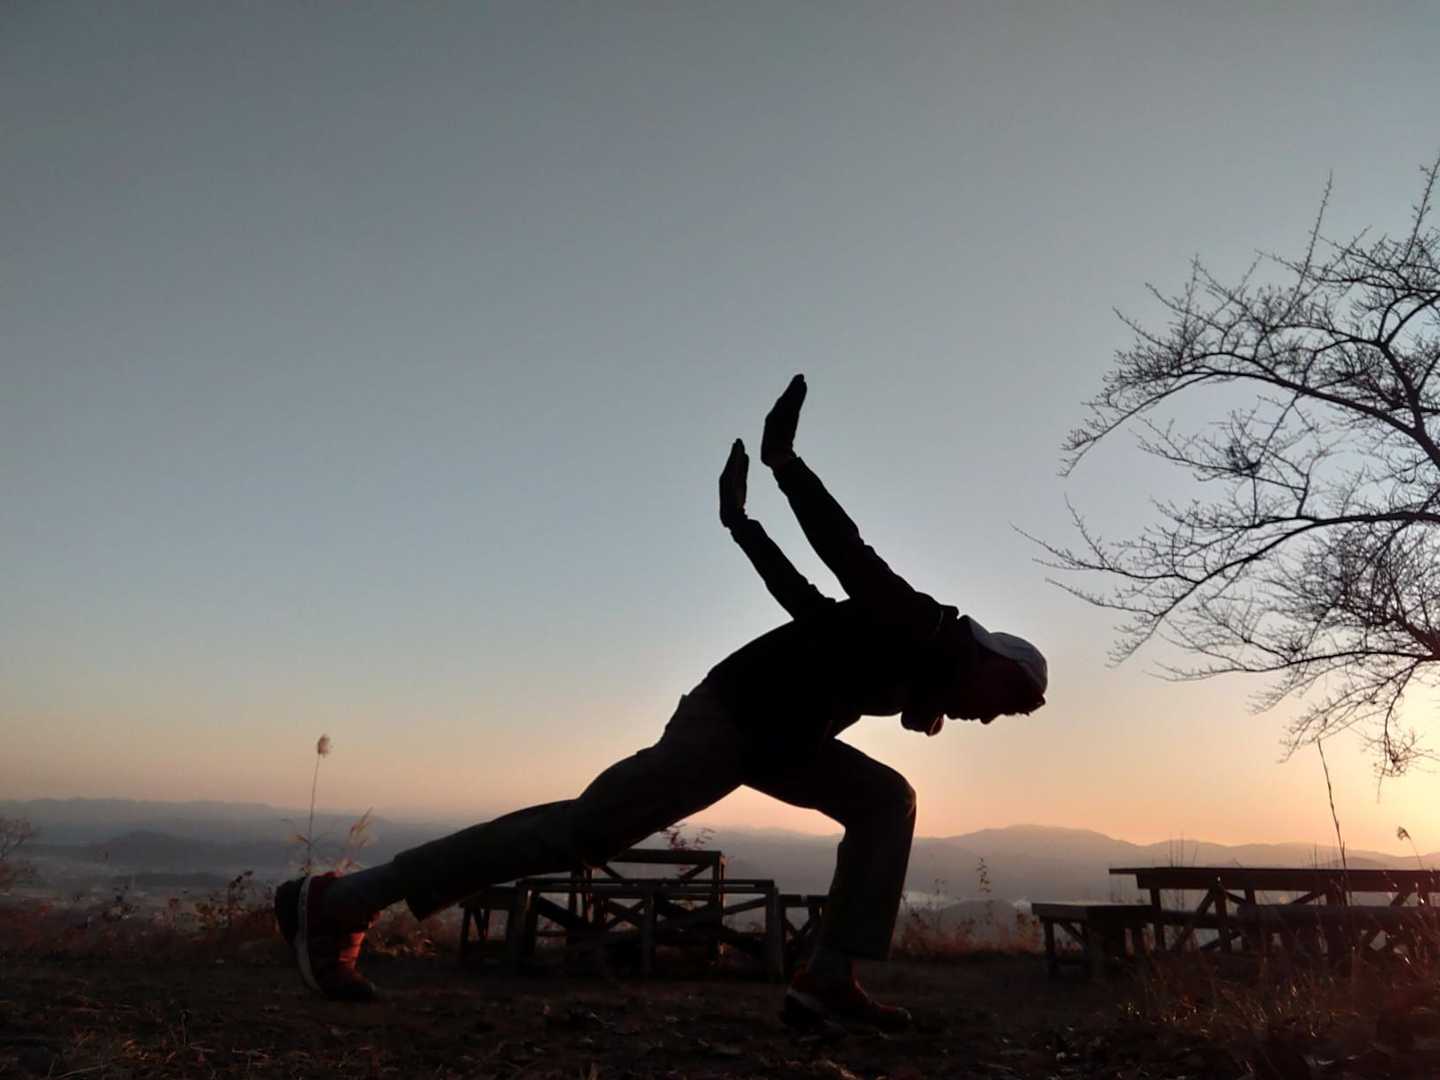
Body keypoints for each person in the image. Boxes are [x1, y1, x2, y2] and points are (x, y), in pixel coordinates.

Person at [274, 374, 1047, 1028]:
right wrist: (784, 465)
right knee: (580, 833)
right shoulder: (923, 626)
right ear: (990, 659)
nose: (991, 718)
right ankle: (341, 904)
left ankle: (827, 979)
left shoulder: (919, 663)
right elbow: (849, 556)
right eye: (1004, 703)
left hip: (783, 740)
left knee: (886, 800)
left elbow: (806, 604)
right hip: (732, 722)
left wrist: (741, 526)